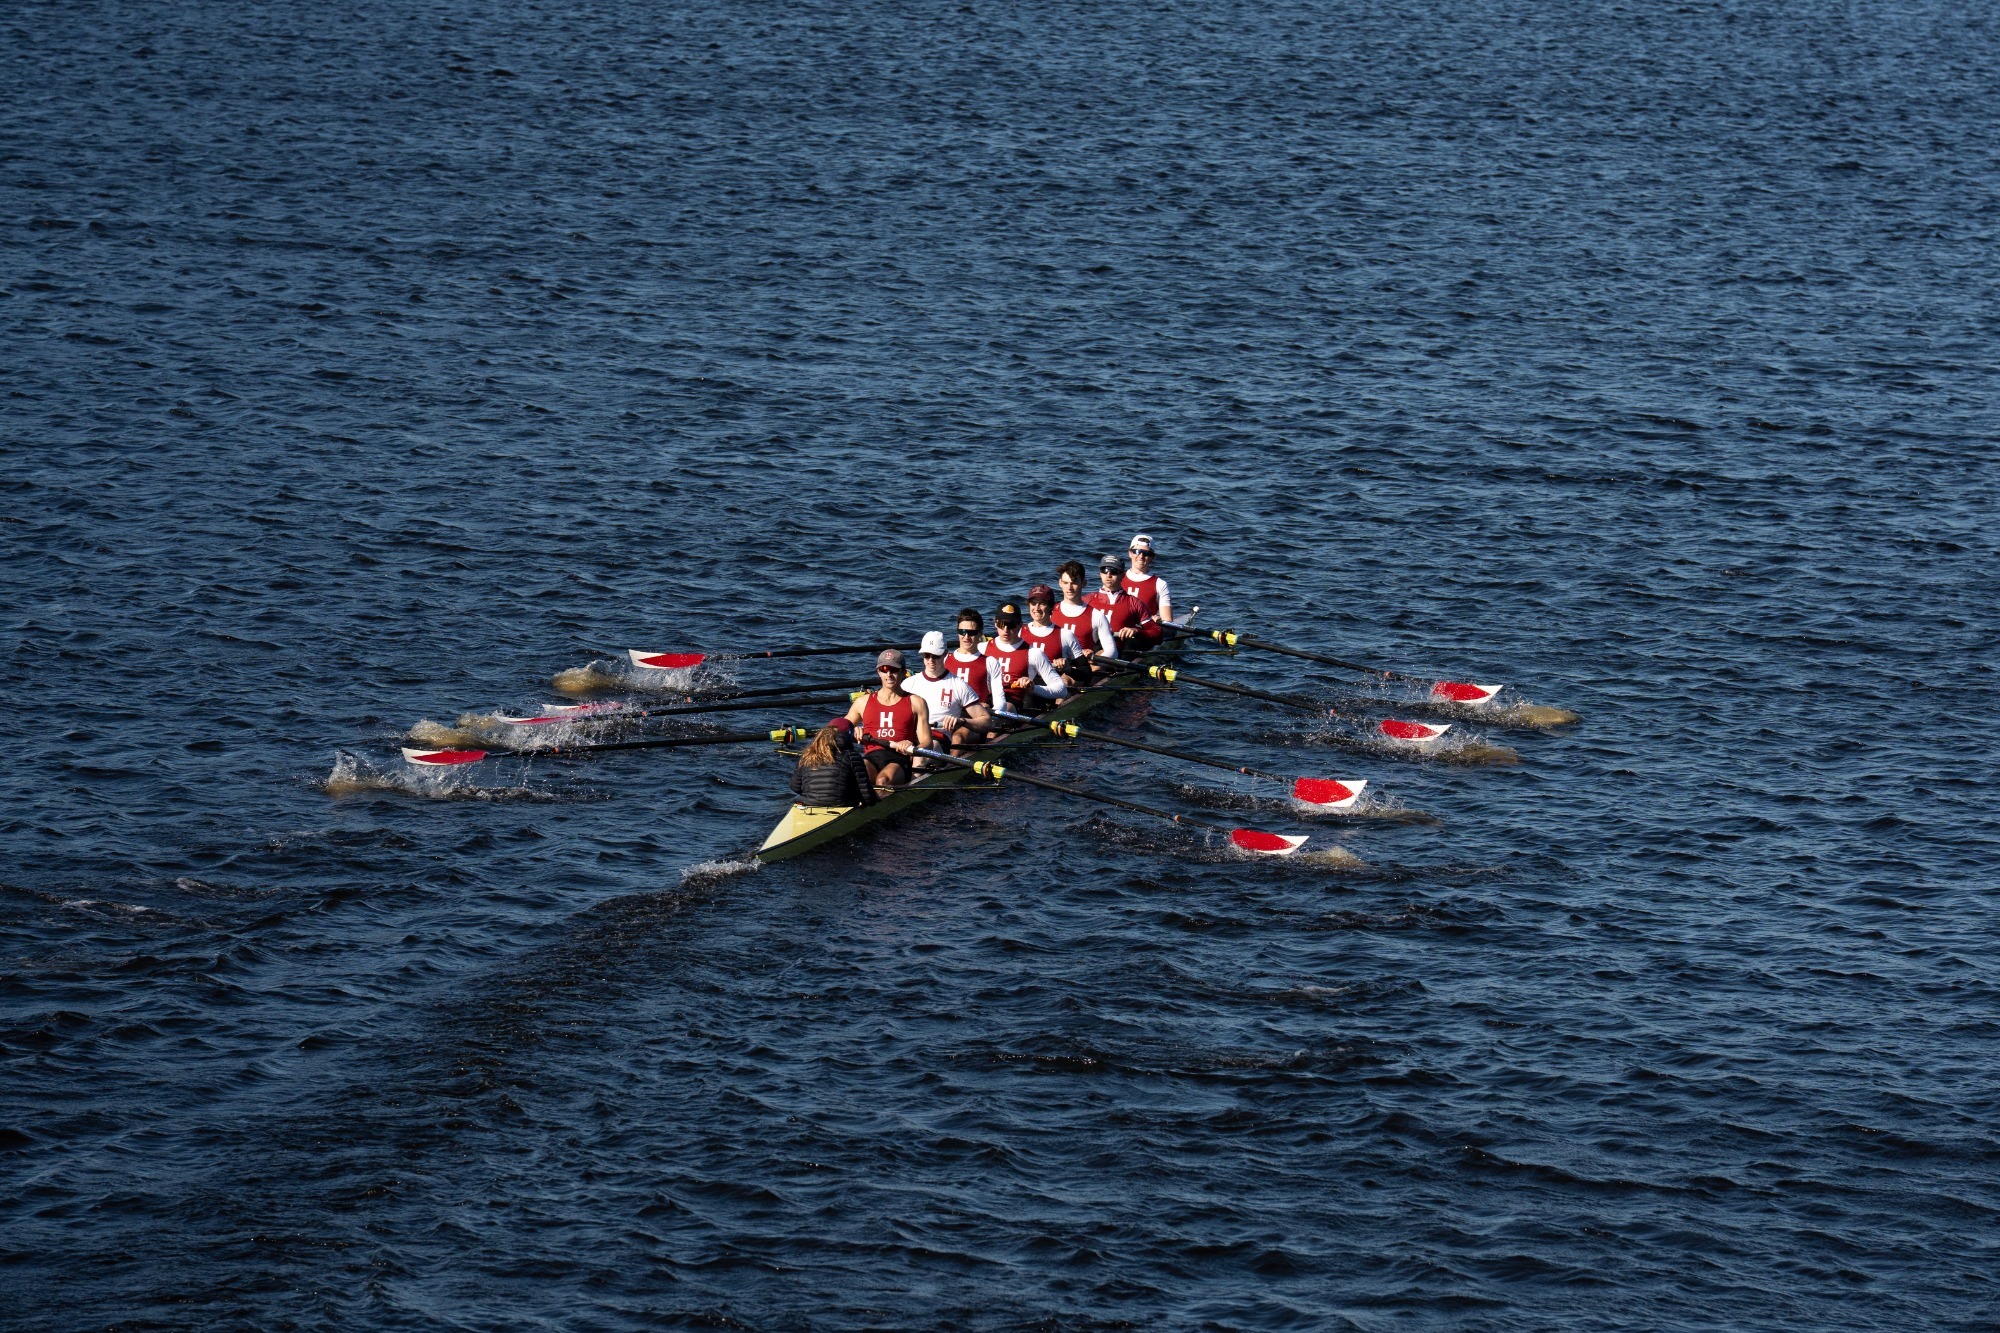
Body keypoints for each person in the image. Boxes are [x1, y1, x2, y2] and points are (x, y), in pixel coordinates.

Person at [845, 648, 932, 791]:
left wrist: (912, 747)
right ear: (879, 672)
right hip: (871, 757)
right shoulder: (862, 702)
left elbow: (927, 742)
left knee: (883, 780)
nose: (889, 675)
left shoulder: (916, 702)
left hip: (899, 759)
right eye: (884, 669)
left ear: (903, 672)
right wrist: (852, 730)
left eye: (894, 670)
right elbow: (839, 730)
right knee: (855, 775)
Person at [902, 630, 991, 758]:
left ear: (945, 654)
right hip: (910, 738)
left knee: (919, 755)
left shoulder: (958, 685)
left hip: (938, 740)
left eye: (935, 656)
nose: (931, 660)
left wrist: (962, 721)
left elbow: (987, 721)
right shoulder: (908, 684)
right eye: (927, 655)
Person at [983, 602, 1067, 716]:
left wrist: (1033, 688)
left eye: (1011, 624)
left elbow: (1061, 690)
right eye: (1002, 624)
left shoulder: (1033, 653)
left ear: (1019, 625)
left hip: (1013, 704)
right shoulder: (982, 648)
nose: (1006, 630)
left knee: (997, 719)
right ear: (995, 623)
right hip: (985, 701)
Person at [788, 717, 878, 808]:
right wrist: (875, 802)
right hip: (842, 804)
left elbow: (794, 787)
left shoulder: (807, 755)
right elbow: (866, 794)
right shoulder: (852, 756)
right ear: (848, 736)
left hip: (809, 803)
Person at [1050, 560, 1117, 674]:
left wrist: (1092, 658)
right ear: (1060, 583)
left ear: (1084, 583)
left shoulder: (1096, 615)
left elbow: (1112, 651)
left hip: (1079, 669)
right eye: (1066, 583)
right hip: (1052, 666)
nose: (1069, 588)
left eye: (1074, 583)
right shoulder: (1049, 611)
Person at [1020, 583, 1087, 691]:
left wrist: (1068, 669)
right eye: (1033, 603)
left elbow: (1086, 673)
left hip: (1052, 689)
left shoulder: (1065, 635)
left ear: (1051, 606)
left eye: (1042, 603)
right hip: (1025, 686)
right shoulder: (1019, 632)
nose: (1036, 608)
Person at [1120, 533, 1175, 648]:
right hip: (1118, 630)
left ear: (1152, 557)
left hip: (1142, 634)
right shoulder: (1117, 578)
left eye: (1146, 553)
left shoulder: (1160, 584)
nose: (1140, 556)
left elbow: (1167, 620)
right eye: (1137, 551)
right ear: (1130, 553)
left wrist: (1158, 620)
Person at [1086, 554, 1148, 655]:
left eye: (1113, 571)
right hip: (1087, 652)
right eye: (1104, 570)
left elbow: (1156, 633)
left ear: (1122, 575)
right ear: (1100, 574)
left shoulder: (1134, 603)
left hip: (1120, 653)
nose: (1108, 575)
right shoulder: (1087, 600)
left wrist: (1136, 631)